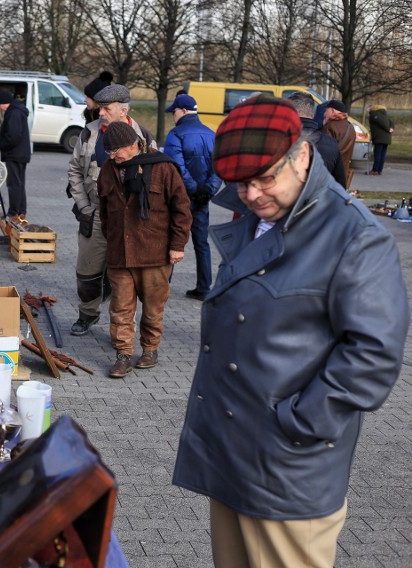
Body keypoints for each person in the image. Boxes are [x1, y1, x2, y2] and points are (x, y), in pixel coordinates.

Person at [172, 95, 408, 568]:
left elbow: (373, 357)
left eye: (265, 179)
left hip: (286, 466)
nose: (253, 194)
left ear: (301, 157)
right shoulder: (258, 219)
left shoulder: (355, 236)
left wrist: (297, 426)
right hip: (232, 452)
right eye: (240, 184)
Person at [97, 121, 191, 377]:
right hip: (120, 252)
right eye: (109, 152)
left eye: (117, 151)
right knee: (120, 308)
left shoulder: (163, 167)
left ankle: (150, 349)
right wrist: (112, 237)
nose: (113, 156)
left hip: (155, 252)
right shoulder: (108, 169)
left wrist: (177, 246)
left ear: (133, 145)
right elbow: (104, 212)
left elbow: (182, 210)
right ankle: (123, 355)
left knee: (152, 307)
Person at [66, 83, 156, 337]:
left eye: (106, 108)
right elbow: (74, 170)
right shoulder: (88, 133)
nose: (100, 112)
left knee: (125, 276)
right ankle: (87, 315)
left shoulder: (144, 137)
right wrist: (84, 206)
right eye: (100, 107)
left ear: (123, 109)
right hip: (94, 214)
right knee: (87, 270)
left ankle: (121, 329)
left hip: (129, 220)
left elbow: (156, 174)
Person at [163, 93, 222, 301]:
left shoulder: (175, 135)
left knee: (171, 241)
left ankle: (162, 287)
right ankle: (204, 287)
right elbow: (219, 167)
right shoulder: (211, 134)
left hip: (179, 199)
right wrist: (207, 190)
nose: (173, 115)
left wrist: (193, 189)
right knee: (201, 243)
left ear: (184, 111)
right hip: (202, 199)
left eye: (175, 112)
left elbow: (175, 167)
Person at [286, 92, 346, 187]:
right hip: (322, 199)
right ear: (311, 112)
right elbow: (340, 186)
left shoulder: (283, 140)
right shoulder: (331, 143)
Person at [0, 90, 31, 222]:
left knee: (14, 184)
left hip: (15, 154)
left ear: (5, 103)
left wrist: (3, 145)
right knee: (19, 183)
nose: (0, 108)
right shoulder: (17, 110)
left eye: (0, 105)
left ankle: (14, 212)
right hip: (20, 153)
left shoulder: (14, 113)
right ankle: (20, 211)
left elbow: (14, 135)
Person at [320, 99, 355, 187]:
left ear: (332, 110)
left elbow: (325, 152)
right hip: (343, 173)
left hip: (330, 174)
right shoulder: (350, 127)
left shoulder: (330, 126)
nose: (324, 113)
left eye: (326, 110)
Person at [368, 104, 394, 175]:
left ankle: (375, 170)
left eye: (369, 108)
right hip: (386, 138)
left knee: (377, 154)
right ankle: (379, 170)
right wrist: (391, 128)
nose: (368, 110)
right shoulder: (384, 115)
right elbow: (391, 122)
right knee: (382, 154)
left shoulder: (374, 115)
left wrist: (388, 128)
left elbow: (383, 123)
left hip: (379, 138)